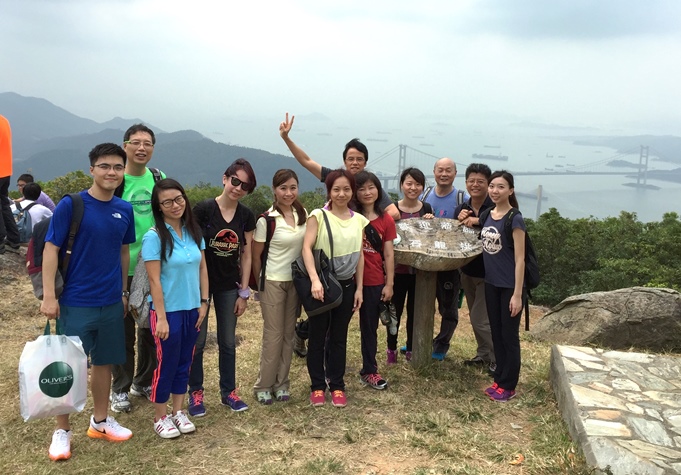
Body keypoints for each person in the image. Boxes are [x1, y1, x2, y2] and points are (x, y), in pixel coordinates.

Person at [41, 143, 135, 461]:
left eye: (117, 167)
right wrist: (50, 296)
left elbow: (124, 252)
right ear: (91, 168)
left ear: (124, 172)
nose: (111, 172)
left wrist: (123, 292)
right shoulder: (73, 204)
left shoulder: (125, 209)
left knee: (104, 363)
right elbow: (51, 248)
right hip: (76, 301)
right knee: (67, 367)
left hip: (110, 301)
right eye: (105, 166)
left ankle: (100, 421)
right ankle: (62, 430)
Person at [187, 159, 256, 415]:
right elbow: (193, 248)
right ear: (224, 178)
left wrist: (244, 292)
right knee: (198, 340)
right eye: (235, 181)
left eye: (245, 185)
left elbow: (246, 254)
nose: (238, 188)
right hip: (200, 286)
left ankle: (229, 392)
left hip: (229, 285)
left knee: (228, 341)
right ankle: (195, 392)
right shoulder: (204, 209)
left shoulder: (246, 215)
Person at [142, 179, 208, 438]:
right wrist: (160, 317)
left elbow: (202, 268)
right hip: (167, 311)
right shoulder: (154, 237)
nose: (175, 205)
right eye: (167, 202)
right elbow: (154, 279)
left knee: (185, 361)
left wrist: (204, 302)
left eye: (179, 198)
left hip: (193, 308)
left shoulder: (194, 231)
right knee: (166, 362)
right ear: (158, 207)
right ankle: (160, 416)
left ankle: (178, 411)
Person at [111, 124, 166, 413]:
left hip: (152, 267)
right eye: (136, 142)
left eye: (147, 143)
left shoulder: (158, 178)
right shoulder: (115, 179)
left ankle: (142, 381)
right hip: (121, 266)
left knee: (149, 327)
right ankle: (119, 388)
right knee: (122, 328)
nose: (141, 148)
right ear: (125, 146)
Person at [304, 169, 367, 408]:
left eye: (346, 189)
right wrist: (314, 280)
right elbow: (306, 248)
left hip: (347, 285)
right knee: (318, 336)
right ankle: (317, 386)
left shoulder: (359, 219)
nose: (342, 194)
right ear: (329, 191)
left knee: (339, 337)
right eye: (336, 189)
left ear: (352, 191)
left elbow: (360, 255)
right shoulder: (318, 216)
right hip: (323, 286)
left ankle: (337, 385)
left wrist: (359, 288)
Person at [251, 169, 307, 404]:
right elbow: (256, 257)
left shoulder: (303, 214)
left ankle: (282, 383)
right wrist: (260, 287)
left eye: (293, 187)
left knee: (288, 334)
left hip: (295, 282)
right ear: (275, 190)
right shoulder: (266, 220)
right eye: (283, 188)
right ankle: (263, 385)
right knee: (273, 335)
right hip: (272, 281)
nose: (288, 192)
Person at [279, 112, 399, 220]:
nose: (355, 163)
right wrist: (286, 138)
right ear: (344, 162)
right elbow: (307, 161)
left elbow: (394, 212)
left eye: (359, 159)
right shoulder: (335, 178)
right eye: (351, 159)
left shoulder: (369, 186)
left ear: (365, 163)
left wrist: (363, 224)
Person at [480, 170, 526, 402]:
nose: (495, 191)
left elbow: (520, 259)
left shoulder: (514, 218)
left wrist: (517, 294)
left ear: (510, 190)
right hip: (491, 284)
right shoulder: (488, 213)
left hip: (510, 287)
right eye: (492, 186)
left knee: (509, 336)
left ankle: (509, 385)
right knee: (496, 333)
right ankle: (499, 379)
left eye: (500, 187)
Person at [422, 157, 469, 360]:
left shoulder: (462, 198)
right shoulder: (424, 195)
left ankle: (441, 344)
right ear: (434, 172)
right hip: (425, 260)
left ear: (455, 173)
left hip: (450, 263)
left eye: (448, 170)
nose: (444, 174)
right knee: (422, 305)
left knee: (448, 307)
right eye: (440, 170)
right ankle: (419, 341)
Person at [354, 171, 395, 390]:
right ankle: (330, 369)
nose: (367, 192)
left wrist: (389, 283)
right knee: (335, 327)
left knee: (369, 327)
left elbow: (388, 254)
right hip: (347, 279)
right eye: (361, 189)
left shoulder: (386, 219)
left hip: (374, 280)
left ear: (378, 190)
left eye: (371, 187)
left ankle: (369, 370)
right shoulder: (349, 215)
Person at [388, 168, 433, 363]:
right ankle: (391, 349)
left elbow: (431, 238)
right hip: (398, 270)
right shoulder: (392, 210)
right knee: (394, 312)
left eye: (417, 184)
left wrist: (430, 223)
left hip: (420, 272)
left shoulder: (427, 208)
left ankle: (412, 348)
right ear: (401, 185)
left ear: (423, 186)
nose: (413, 188)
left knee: (416, 312)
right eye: (409, 183)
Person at [455, 164, 496, 374]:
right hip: (468, 271)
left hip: (490, 274)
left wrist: (478, 220)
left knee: (480, 320)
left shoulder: (496, 208)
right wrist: (460, 220)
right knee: (475, 315)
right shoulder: (462, 208)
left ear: (488, 184)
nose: (475, 185)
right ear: (466, 183)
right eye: (471, 180)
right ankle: (483, 355)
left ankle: (499, 358)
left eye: (480, 181)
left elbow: (501, 228)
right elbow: (455, 237)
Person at [0, 114, 20, 254]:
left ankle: (0, 240)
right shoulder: (4, 120)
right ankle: (14, 238)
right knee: (4, 203)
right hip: (6, 170)